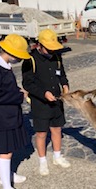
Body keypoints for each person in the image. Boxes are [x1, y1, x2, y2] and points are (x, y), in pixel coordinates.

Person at [0, 34, 31, 189]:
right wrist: (18, 96)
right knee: (5, 152)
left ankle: (8, 174)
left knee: (10, 148)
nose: (19, 59)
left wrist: (17, 91)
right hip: (1, 117)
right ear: (11, 53)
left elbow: (5, 89)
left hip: (9, 114)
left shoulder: (4, 66)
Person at [22, 29, 70, 176]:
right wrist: (44, 93)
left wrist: (66, 85)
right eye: (48, 48)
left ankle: (57, 156)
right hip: (40, 103)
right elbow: (27, 84)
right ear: (40, 45)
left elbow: (61, 74)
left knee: (57, 129)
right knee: (41, 133)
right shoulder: (30, 60)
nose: (51, 51)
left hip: (56, 100)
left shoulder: (56, 56)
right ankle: (42, 161)